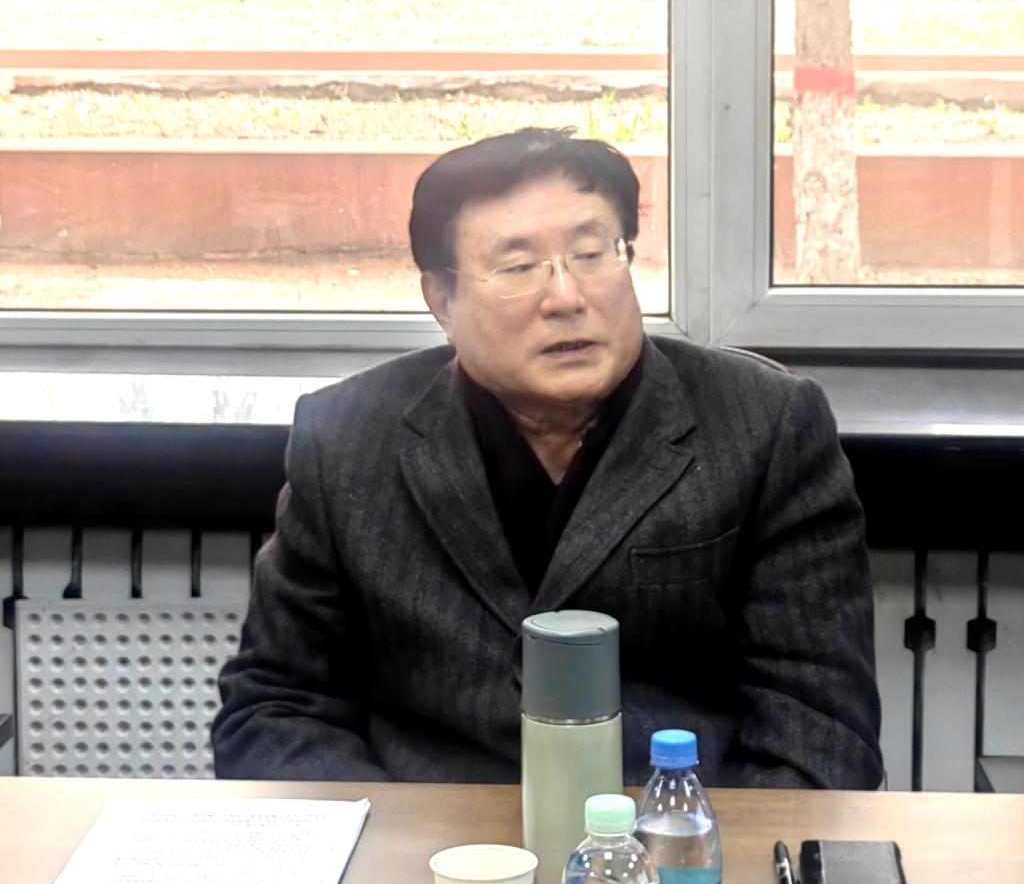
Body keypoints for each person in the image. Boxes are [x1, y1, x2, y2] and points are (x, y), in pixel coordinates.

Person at [213, 129, 883, 788]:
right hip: (430, 841)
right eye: (517, 267)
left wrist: (692, 849)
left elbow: (819, 729)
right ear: (442, 300)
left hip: (678, 837)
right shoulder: (348, 436)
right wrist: (394, 842)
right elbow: (276, 708)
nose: (566, 297)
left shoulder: (765, 425)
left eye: (592, 254)